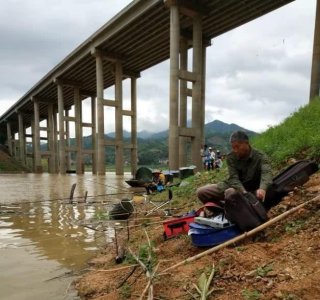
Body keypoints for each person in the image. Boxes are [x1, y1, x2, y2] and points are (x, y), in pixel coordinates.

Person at [197, 131, 273, 207]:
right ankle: (222, 209)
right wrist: (244, 192)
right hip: (236, 187)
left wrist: (263, 188)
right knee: (201, 192)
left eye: (237, 147)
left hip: (251, 190)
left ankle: (237, 209)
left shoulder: (260, 156)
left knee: (230, 193)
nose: (235, 150)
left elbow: (266, 173)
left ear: (246, 143)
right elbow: (233, 178)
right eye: (233, 147)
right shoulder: (231, 157)